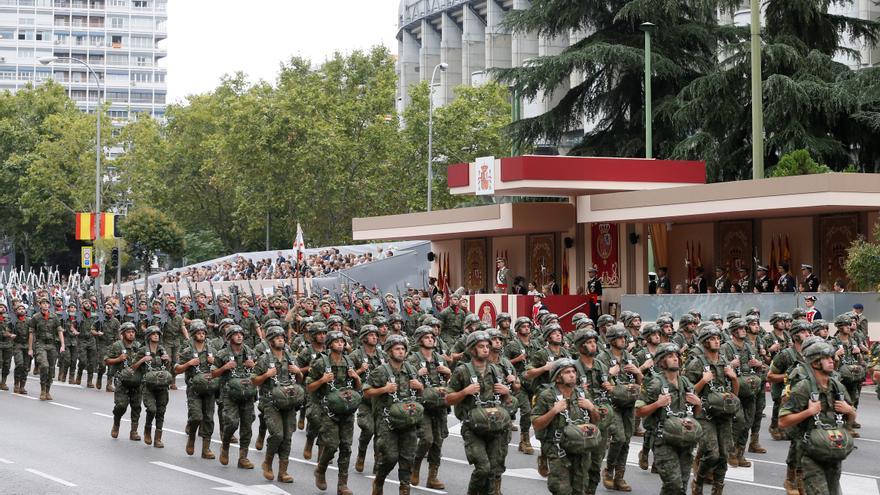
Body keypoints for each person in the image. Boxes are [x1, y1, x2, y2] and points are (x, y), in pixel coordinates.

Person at [778, 339, 857, 495]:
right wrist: (808, 412)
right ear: (815, 363)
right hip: (810, 455)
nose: (831, 361)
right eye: (826, 358)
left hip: (833, 452)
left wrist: (850, 411)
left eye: (831, 357)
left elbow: (851, 421)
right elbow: (782, 421)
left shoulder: (837, 386)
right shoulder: (803, 387)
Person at [445, 330, 513, 494]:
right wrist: (464, 392)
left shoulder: (496, 371)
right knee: (483, 468)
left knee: (494, 470)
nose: (485, 349)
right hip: (473, 428)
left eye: (487, 346)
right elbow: (448, 399)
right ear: (472, 350)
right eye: (481, 346)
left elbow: (508, 402)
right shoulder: (463, 371)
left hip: (496, 426)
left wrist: (507, 392)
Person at [636, 343, 703, 495]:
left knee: (681, 485)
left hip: (685, 440)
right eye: (670, 356)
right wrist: (657, 404)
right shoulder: (654, 383)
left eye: (676, 356)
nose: (675, 359)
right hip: (663, 441)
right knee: (673, 483)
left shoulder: (685, 382)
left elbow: (696, 413)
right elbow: (639, 411)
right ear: (661, 362)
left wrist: (698, 403)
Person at [532, 358, 601, 495]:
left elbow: (596, 421)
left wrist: (592, 408)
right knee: (562, 489)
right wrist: (554, 411)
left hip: (582, 447)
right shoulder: (547, 396)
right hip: (558, 448)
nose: (572, 375)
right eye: (567, 372)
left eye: (573, 371)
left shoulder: (582, 394)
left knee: (580, 488)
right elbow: (536, 424)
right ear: (558, 377)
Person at [685, 325, 739, 494]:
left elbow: (734, 395)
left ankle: (718, 488)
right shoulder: (696, 363)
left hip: (724, 415)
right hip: (705, 415)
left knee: (723, 456)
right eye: (712, 338)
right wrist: (703, 380)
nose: (716, 341)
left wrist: (735, 379)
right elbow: (688, 392)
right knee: (712, 454)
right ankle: (698, 481)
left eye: (718, 338)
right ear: (705, 341)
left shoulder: (725, 364)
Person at [307, 329, 361, 494]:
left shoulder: (348, 362)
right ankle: (321, 470)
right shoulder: (320, 362)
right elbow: (309, 387)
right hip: (327, 411)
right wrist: (322, 380)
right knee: (330, 446)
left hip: (346, 410)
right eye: (337, 341)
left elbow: (358, 389)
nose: (341, 344)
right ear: (330, 344)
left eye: (343, 341)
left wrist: (357, 377)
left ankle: (342, 484)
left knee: (346, 447)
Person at [252, 326, 303, 484]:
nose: (281, 339)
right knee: (277, 434)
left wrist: (299, 372)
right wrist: (267, 375)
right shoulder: (264, 359)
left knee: (287, 437)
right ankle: (267, 462)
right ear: (271, 340)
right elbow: (254, 380)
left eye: (282, 337)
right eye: (277, 337)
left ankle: (283, 471)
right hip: (270, 402)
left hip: (289, 402)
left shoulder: (290, 357)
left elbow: (299, 381)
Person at [599, 324, 643, 491]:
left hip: (629, 404)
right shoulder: (602, 358)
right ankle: (608, 470)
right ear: (611, 340)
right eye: (619, 338)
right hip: (612, 404)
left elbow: (640, 385)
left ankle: (620, 477)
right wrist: (610, 373)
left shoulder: (631, 358)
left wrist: (638, 372)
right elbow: (597, 382)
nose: (623, 340)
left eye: (625, 337)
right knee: (618, 438)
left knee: (626, 441)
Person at [407, 326, 451, 489]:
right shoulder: (412, 359)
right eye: (426, 337)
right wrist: (417, 374)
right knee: (427, 439)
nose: (431, 339)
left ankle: (432, 477)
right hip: (422, 405)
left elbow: (449, 384)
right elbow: (403, 383)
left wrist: (448, 372)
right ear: (419, 340)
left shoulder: (440, 358)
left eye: (432, 337)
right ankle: (415, 465)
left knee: (438, 442)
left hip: (439, 405)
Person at [212, 325, 258, 470]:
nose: (239, 336)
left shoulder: (249, 351)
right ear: (230, 336)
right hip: (229, 393)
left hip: (247, 393)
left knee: (247, 425)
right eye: (236, 334)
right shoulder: (223, 354)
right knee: (231, 422)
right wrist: (224, 368)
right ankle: (225, 446)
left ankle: (243, 458)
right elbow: (213, 374)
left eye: (241, 334)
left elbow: (261, 371)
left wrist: (254, 365)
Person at [175, 319, 217, 459]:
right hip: (194, 389)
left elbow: (223, 368)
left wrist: (215, 362)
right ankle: (192, 437)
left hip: (209, 388)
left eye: (203, 332)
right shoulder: (187, 351)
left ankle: (206, 448)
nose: (201, 335)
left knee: (208, 418)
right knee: (196, 416)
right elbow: (176, 369)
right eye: (198, 333)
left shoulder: (212, 351)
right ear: (193, 334)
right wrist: (189, 363)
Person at [349, 324, 387, 473]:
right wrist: (360, 370)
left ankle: (378, 461)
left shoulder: (381, 355)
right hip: (363, 399)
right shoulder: (355, 355)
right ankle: (361, 454)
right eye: (371, 335)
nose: (375, 337)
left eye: (376, 335)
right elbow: (346, 378)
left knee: (381, 433)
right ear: (364, 338)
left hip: (379, 398)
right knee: (369, 429)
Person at [104, 322, 143, 440]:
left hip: (136, 381)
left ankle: (134, 431)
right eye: (128, 332)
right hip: (122, 380)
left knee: (136, 407)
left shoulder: (138, 345)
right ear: (123, 334)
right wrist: (118, 359)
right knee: (121, 406)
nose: (131, 334)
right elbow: (106, 360)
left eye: (133, 332)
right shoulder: (117, 346)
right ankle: (116, 424)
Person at [137, 325, 172, 448]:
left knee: (161, 411)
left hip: (162, 386)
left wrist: (168, 360)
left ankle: (158, 438)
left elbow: (168, 370)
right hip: (148, 386)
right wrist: (142, 360)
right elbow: (132, 367)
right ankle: (147, 430)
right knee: (152, 409)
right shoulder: (142, 350)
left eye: (158, 333)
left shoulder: (162, 350)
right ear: (148, 336)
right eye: (153, 333)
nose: (156, 335)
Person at [28, 297, 64, 401]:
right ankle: (42, 389)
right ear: (40, 305)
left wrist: (62, 344)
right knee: (44, 365)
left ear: (49, 305)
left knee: (51, 369)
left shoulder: (54, 317)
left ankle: (48, 391)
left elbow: (59, 331)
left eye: (47, 303)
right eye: (43, 303)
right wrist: (30, 348)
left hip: (52, 345)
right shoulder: (35, 317)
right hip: (40, 344)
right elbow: (31, 333)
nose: (45, 305)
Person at [10, 303, 31, 395]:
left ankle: (22, 386)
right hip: (17, 345)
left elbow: (33, 333)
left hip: (27, 346)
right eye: (19, 309)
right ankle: (16, 384)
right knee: (19, 364)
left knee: (26, 367)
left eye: (23, 309)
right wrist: (10, 334)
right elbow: (6, 330)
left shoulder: (29, 321)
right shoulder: (12, 321)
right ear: (16, 311)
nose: (21, 310)